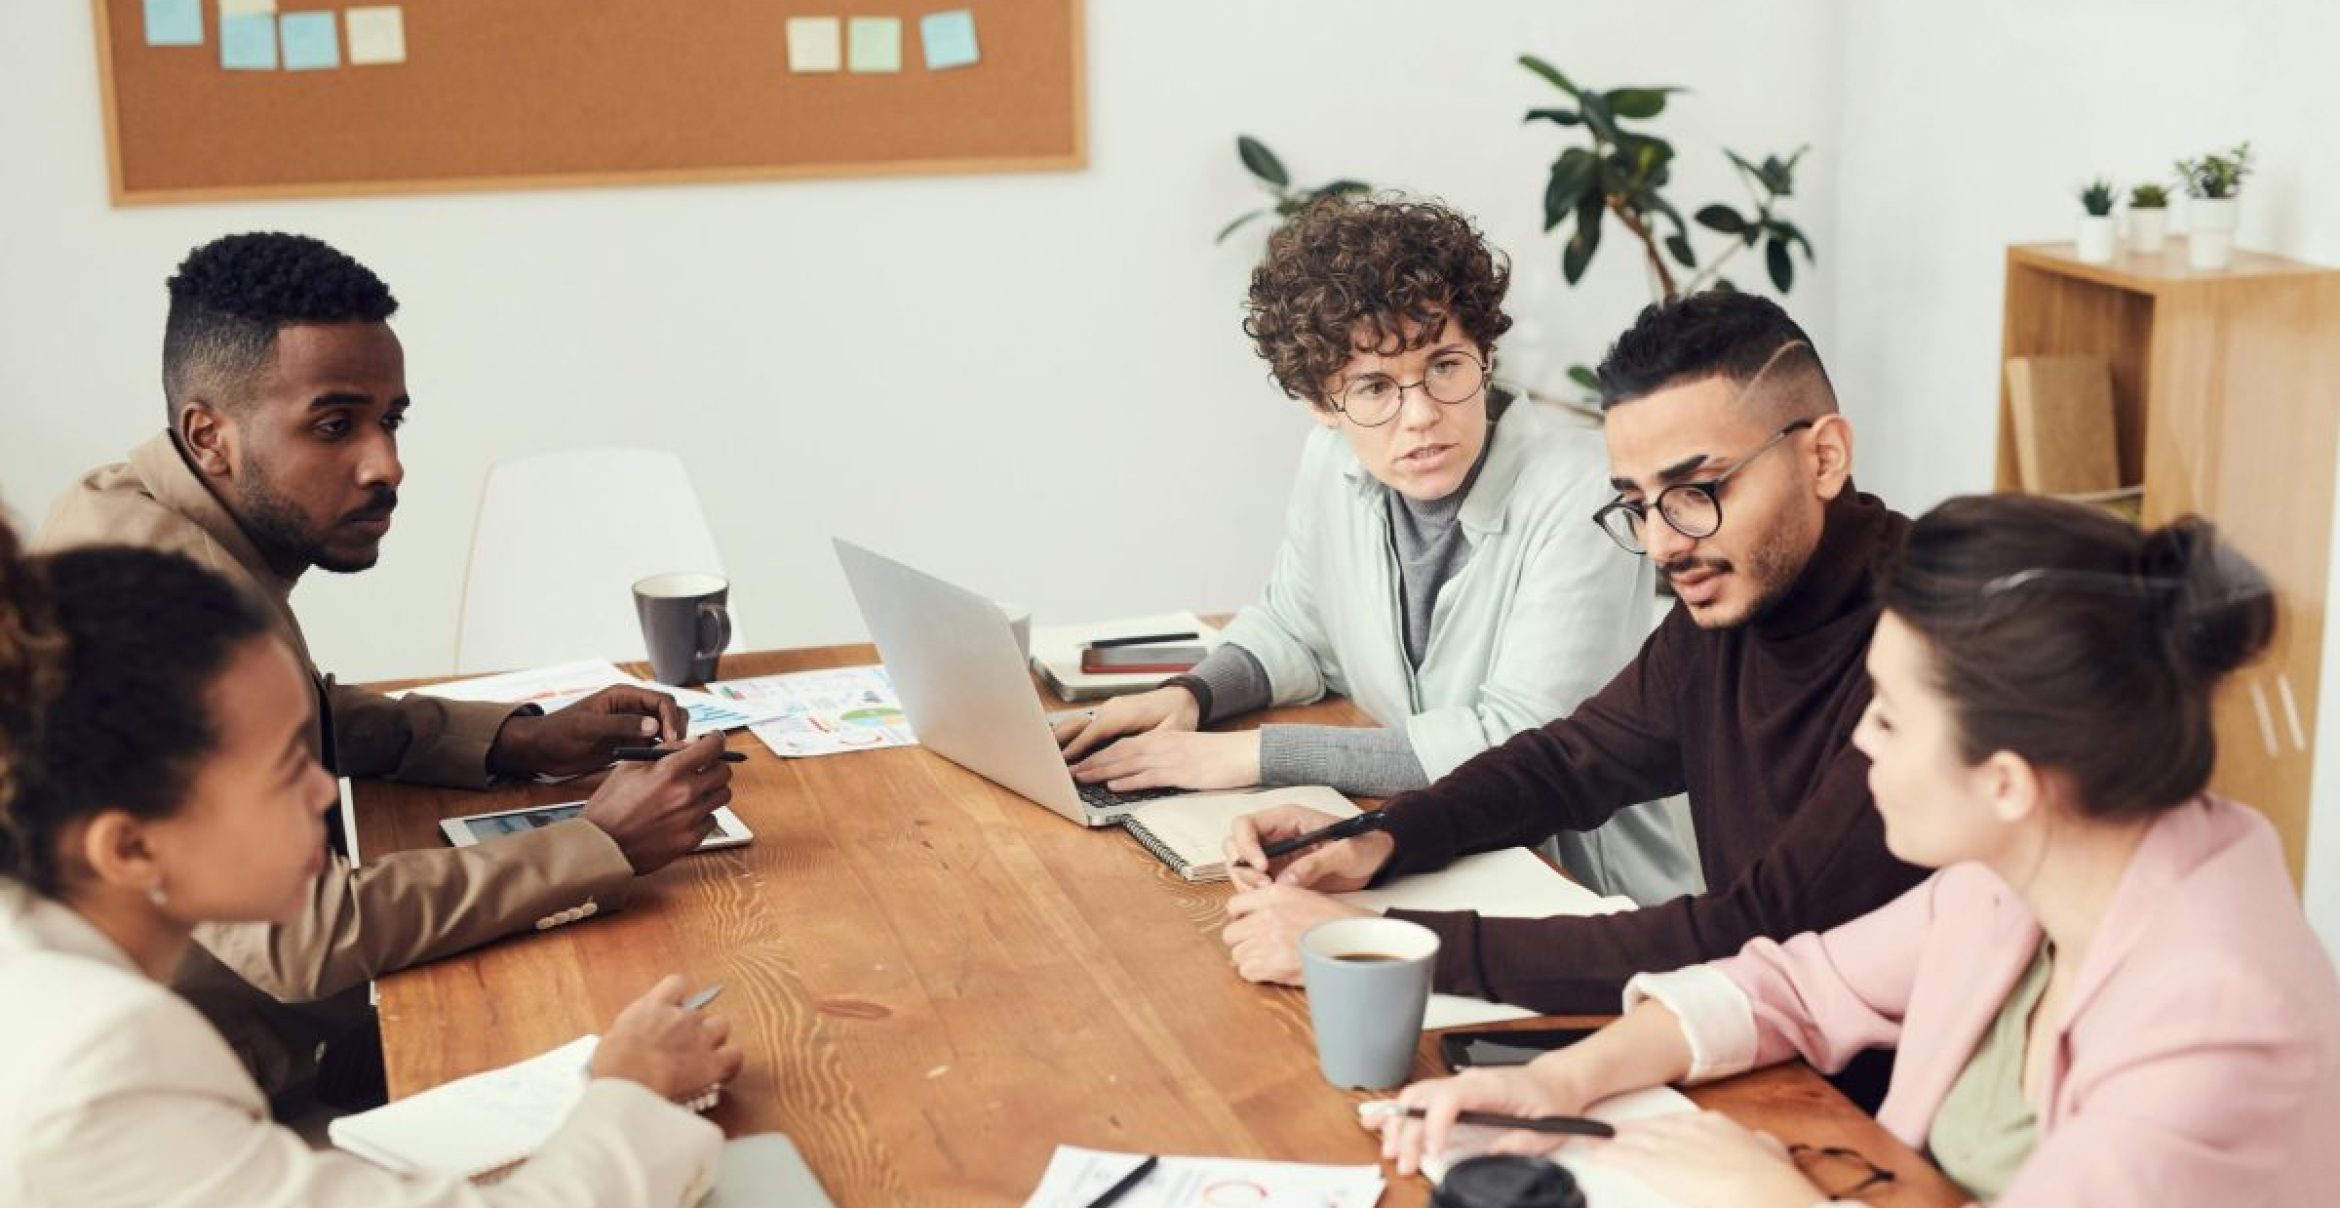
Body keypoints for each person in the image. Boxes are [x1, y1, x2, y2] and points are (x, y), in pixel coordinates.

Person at [1379, 495, 2340, 1207]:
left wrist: (1769, 1197)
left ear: (2006, 781)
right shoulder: (2030, 872)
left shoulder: (2215, 1028)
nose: (1862, 743)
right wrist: (1556, 1081)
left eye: (1887, 716)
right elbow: (1788, 985)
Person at [37, 232, 735, 1099]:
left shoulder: (145, 513)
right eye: (335, 426)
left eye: (390, 420)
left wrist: (517, 741)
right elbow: (302, 937)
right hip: (239, 1103)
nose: (387, 464)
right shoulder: (151, 612)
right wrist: (597, 844)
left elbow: (284, 719)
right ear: (208, 434)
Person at [0, 521, 745, 1205]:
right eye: (285, 766)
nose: (325, 788)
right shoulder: (104, 1063)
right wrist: (632, 1095)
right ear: (130, 847)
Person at [1222, 291, 1927, 1015]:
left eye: (1698, 489)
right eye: (1639, 503)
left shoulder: (1930, 653)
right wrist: (1381, 837)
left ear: (1826, 456)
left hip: (1865, 1103)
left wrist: (1381, 944)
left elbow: (1754, 932)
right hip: (1750, 1038)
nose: (1664, 544)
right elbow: (1569, 763)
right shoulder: (1736, 601)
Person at [1055, 196, 1694, 902]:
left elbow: (1519, 742)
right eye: (1373, 388)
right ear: (1321, 406)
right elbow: (1295, 631)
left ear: (1486, 353)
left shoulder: (1580, 493)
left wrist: (1241, 756)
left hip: (1574, 888)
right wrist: (1191, 695)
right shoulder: (1332, 463)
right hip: (1427, 847)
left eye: (1446, 366)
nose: (1420, 416)